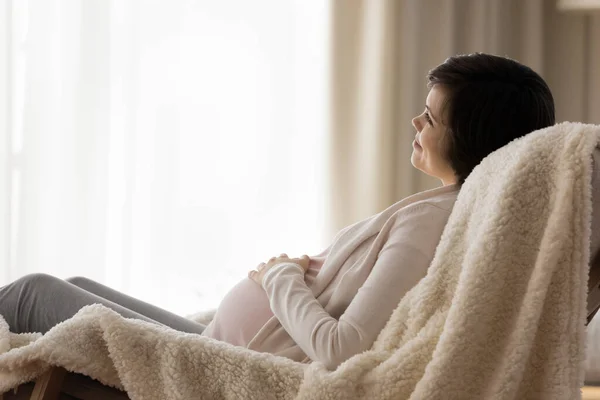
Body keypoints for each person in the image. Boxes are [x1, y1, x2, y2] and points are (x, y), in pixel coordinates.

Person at [0, 53, 556, 370]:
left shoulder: (432, 220)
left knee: (30, 294)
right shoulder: (448, 212)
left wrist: (282, 276)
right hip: (227, 347)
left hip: (230, 371)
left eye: (431, 119)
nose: (416, 124)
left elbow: (344, 349)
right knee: (64, 287)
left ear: (472, 135)